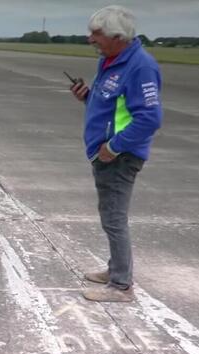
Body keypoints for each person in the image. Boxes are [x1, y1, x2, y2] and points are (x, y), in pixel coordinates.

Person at [70, 5, 162, 302]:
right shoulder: (111, 61)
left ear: (117, 36)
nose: (90, 39)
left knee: (114, 218)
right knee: (109, 214)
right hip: (105, 153)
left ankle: (121, 286)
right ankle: (115, 269)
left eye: (96, 34)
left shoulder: (140, 66)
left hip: (120, 156)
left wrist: (113, 147)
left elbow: (149, 118)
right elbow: (110, 108)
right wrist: (87, 97)